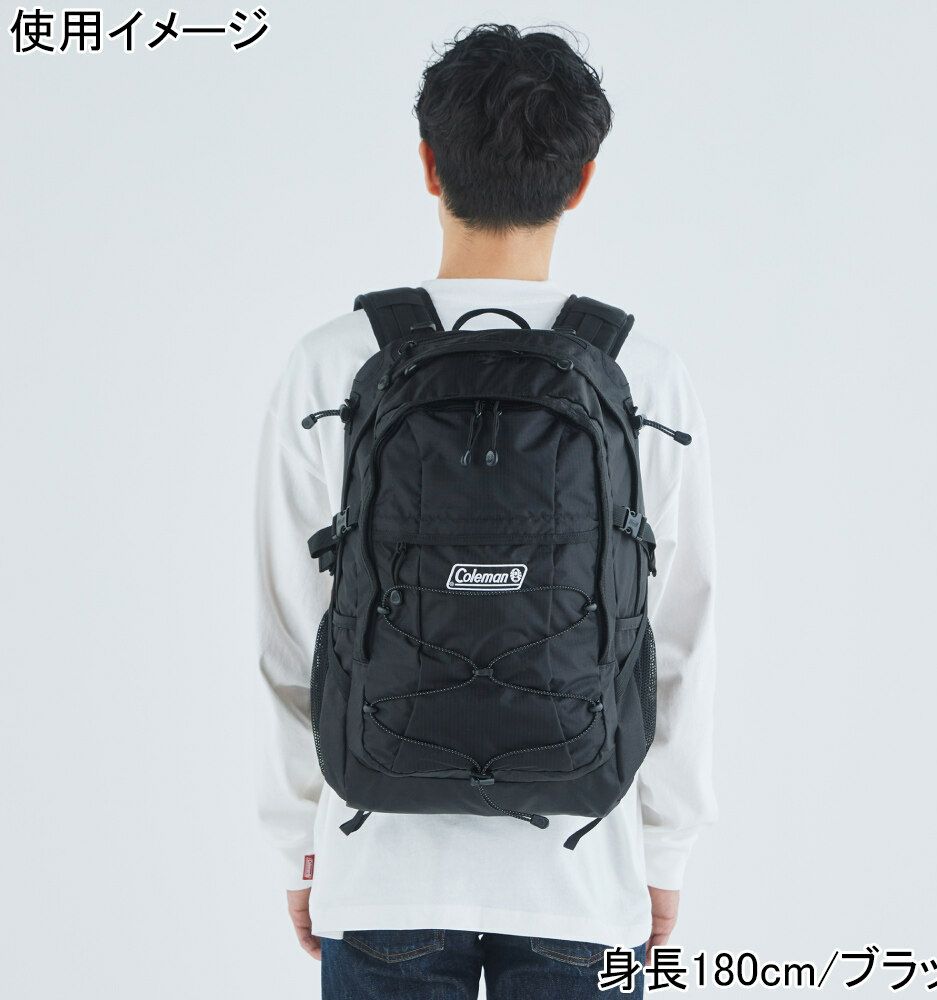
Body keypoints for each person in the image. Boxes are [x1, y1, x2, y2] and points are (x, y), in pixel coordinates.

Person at [256, 24, 717, 998]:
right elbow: (676, 631)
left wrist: (303, 840)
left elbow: (292, 626)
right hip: (583, 871)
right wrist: (665, 847)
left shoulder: (331, 362)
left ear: (428, 164)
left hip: (378, 866)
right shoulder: (642, 373)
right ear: (581, 179)